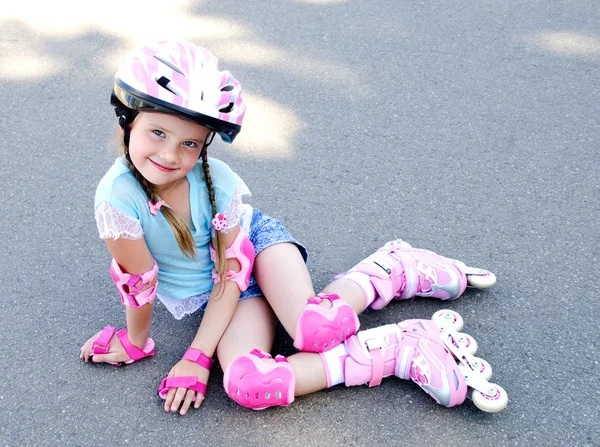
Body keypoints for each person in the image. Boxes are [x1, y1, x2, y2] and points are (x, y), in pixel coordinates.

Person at [80, 40, 507, 416]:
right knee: (250, 384)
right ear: (128, 119)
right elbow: (140, 284)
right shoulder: (116, 202)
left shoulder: (218, 183)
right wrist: (137, 343)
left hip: (255, 251)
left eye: (190, 143)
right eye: (158, 132)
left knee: (317, 329)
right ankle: (401, 348)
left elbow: (232, 271)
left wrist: (197, 355)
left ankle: (389, 269)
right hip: (225, 293)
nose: (171, 155)